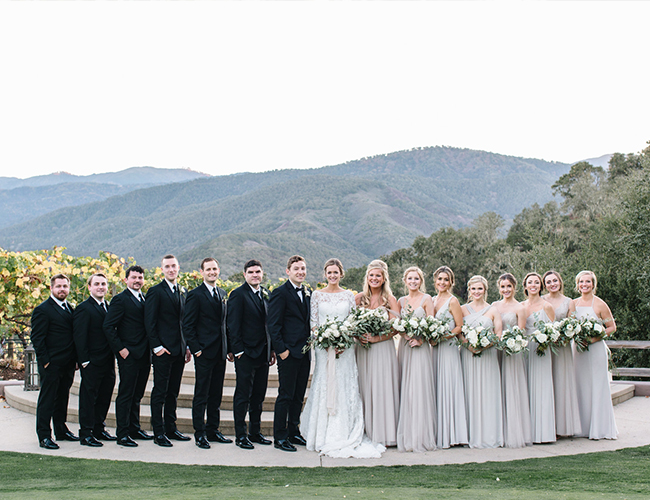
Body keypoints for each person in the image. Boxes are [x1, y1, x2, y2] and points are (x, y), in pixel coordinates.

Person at [301, 259, 384, 458]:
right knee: (324, 383)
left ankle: (345, 431)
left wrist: (342, 340)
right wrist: (324, 339)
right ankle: (320, 434)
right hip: (323, 348)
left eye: (335, 272)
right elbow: (313, 323)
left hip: (345, 348)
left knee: (344, 384)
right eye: (329, 272)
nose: (332, 276)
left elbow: (353, 322)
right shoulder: (317, 295)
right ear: (325, 274)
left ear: (341, 274)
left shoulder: (349, 295)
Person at [183, 258, 233, 449]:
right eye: (208, 269)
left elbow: (224, 324)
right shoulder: (195, 295)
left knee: (216, 394)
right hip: (203, 353)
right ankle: (200, 433)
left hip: (220, 352)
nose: (212, 272)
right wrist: (196, 349)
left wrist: (228, 349)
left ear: (218, 270)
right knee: (201, 394)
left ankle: (213, 430)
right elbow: (188, 325)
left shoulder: (221, 293)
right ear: (202, 272)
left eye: (215, 269)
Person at [228, 259, 275, 450]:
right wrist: (238, 350)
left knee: (258, 396)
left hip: (263, 354)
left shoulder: (265, 294)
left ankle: (255, 432)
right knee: (243, 395)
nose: (255, 275)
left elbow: (267, 325)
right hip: (245, 354)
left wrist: (271, 349)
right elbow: (232, 325)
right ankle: (241, 435)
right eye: (251, 272)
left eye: (258, 272)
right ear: (244, 274)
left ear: (262, 273)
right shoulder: (238, 295)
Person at [103, 265, 153, 447]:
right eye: (134, 277)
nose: (137, 280)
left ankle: (134, 428)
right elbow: (108, 326)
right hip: (128, 355)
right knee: (125, 394)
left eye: (140, 277)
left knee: (137, 394)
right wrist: (121, 350)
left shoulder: (144, 299)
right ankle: (122, 433)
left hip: (144, 355)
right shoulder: (120, 300)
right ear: (126, 280)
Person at [144, 254, 191, 447]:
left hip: (179, 351)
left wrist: (186, 346)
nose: (171, 269)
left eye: (174, 266)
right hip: (162, 351)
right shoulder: (155, 292)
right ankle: (158, 432)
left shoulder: (183, 291)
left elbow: (184, 322)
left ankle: (171, 427)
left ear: (178, 268)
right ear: (162, 269)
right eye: (167, 266)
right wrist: (157, 347)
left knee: (173, 392)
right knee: (160, 392)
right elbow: (150, 322)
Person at [268, 255, 312, 452]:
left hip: (304, 353)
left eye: (303, 268)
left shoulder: (308, 292)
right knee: (285, 395)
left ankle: (294, 432)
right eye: (296, 269)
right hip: (288, 353)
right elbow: (273, 325)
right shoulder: (280, 293)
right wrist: (282, 351)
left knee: (298, 395)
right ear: (288, 271)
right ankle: (280, 437)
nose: (300, 272)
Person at [354, 259, 400, 447]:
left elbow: (396, 327)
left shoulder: (390, 300)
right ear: (367, 277)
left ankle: (384, 432)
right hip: (363, 350)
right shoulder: (358, 299)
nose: (374, 278)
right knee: (363, 387)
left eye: (378, 276)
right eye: (371, 275)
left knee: (382, 387)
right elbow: (350, 324)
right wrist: (360, 337)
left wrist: (376, 338)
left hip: (382, 349)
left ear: (383, 278)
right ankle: (363, 430)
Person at [31, 274, 79, 449]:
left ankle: (61, 430)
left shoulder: (70, 308)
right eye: (58, 286)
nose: (62, 289)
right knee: (47, 400)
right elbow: (37, 339)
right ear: (51, 288)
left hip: (68, 364)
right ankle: (44, 435)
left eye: (65, 286)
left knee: (62, 398)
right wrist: (45, 362)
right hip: (51, 365)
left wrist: (75, 360)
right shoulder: (42, 310)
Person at [573, 270, 618, 440]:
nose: (584, 285)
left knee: (597, 386)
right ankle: (582, 428)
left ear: (593, 284)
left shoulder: (600, 304)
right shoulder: (573, 303)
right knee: (580, 385)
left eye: (588, 282)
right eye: (581, 282)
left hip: (596, 350)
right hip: (578, 351)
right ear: (577, 285)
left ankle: (599, 428)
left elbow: (611, 327)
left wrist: (594, 338)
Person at [73, 273, 116, 447]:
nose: (100, 287)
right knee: (88, 398)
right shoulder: (84, 308)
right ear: (89, 287)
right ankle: (86, 433)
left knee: (105, 396)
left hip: (108, 361)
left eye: (103, 284)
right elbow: (79, 336)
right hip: (91, 362)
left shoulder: (108, 306)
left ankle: (99, 428)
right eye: (97, 283)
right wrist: (84, 361)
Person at [396, 266, 436, 452]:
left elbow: (432, 324)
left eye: (416, 279)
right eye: (410, 278)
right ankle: (407, 433)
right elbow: (396, 326)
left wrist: (421, 339)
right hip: (405, 349)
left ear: (421, 281)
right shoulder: (401, 301)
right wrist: (407, 337)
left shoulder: (427, 299)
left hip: (420, 349)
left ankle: (421, 436)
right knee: (407, 389)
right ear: (405, 281)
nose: (413, 281)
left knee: (419, 389)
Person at [461, 275, 503, 449]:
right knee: (469, 392)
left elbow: (498, 333)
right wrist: (469, 346)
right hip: (468, 355)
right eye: (473, 289)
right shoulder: (462, 309)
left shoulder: (493, 310)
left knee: (488, 393)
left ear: (485, 290)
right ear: (469, 290)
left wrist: (485, 345)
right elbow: (458, 331)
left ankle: (489, 435)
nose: (476, 292)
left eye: (480, 288)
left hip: (488, 356)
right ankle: (469, 435)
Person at [492, 273, 531, 448]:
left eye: (509, 286)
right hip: (495, 352)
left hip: (512, 353)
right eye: (503, 286)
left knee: (512, 388)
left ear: (514, 287)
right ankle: (497, 431)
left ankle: (514, 432)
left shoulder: (520, 308)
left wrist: (510, 343)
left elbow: (521, 333)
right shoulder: (494, 306)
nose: (506, 290)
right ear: (498, 288)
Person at [432, 266, 468, 449]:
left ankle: (453, 434)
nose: (442, 282)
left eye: (446, 279)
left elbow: (459, 327)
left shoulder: (453, 301)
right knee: (437, 386)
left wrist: (442, 337)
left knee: (449, 385)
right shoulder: (431, 300)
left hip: (448, 347)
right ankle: (439, 432)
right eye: (440, 279)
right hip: (434, 349)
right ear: (435, 281)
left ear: (451, 282)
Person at [543, 270, 581, 438]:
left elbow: (573, 324)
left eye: (555, 281)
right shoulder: (541, 300)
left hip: (562, 348)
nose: (552, 284)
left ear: (560, 282)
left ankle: (563, 427)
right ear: (545, 285)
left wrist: (564, 336)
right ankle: (547, 425)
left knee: (561, 383)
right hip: (545, 347)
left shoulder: (569, 302)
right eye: (549, 282)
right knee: (546, 385)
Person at [522, 272, 557, 444]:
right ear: (525, 286)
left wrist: (546, 340)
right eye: (530, 282)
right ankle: (528, 432)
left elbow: (554, 332)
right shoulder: (521, 306)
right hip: (523, 351)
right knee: (526, 389)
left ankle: (543, 433)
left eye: (537, 282)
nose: (533, 285)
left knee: (541, 388)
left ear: (540, 286)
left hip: (542, 351)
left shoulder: (547, 306)